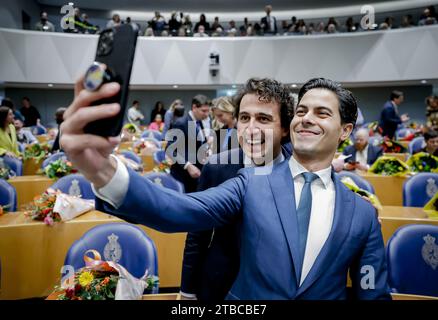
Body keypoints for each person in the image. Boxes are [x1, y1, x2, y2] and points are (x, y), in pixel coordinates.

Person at [60, 77, 391, 300]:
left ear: (345, 129)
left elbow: (372, 292)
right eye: (302, 110)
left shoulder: (360, 214)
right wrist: (102, 168)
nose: (307, 119)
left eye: (322, 113)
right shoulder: (248, 180)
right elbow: (180, 211)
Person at [181, 78, 294, 301]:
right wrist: (187, 291)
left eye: (263, 118)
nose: (251, 129)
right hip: (221, 286)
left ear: (283, 129)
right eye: (244, 118)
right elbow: (198, 234)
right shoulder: (216, 167)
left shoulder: (300, 170)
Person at [166, 95, 212, 192]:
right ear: (194, 107)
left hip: (198, 174)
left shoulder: (201, 122)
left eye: (208, 111)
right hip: (183, 175)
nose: (207, 114)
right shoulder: (181, 123)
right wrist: (188, 166)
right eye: (204, 111)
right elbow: (170, 149)